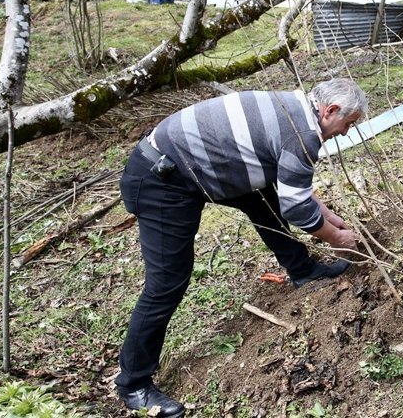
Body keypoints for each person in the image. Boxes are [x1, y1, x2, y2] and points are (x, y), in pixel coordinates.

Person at [115, 78, 367, 416]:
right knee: (166, 283)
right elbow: (296, 207)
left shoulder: (293, 106)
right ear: (330, 110)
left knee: (264, 197)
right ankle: (133, 384)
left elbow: (293, 188)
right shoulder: (302, 133)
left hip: (191, 164)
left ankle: (303, 270)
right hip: (163, 180)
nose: (346, 132)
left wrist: (328, 215)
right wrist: (339, 239)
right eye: (347, 124)